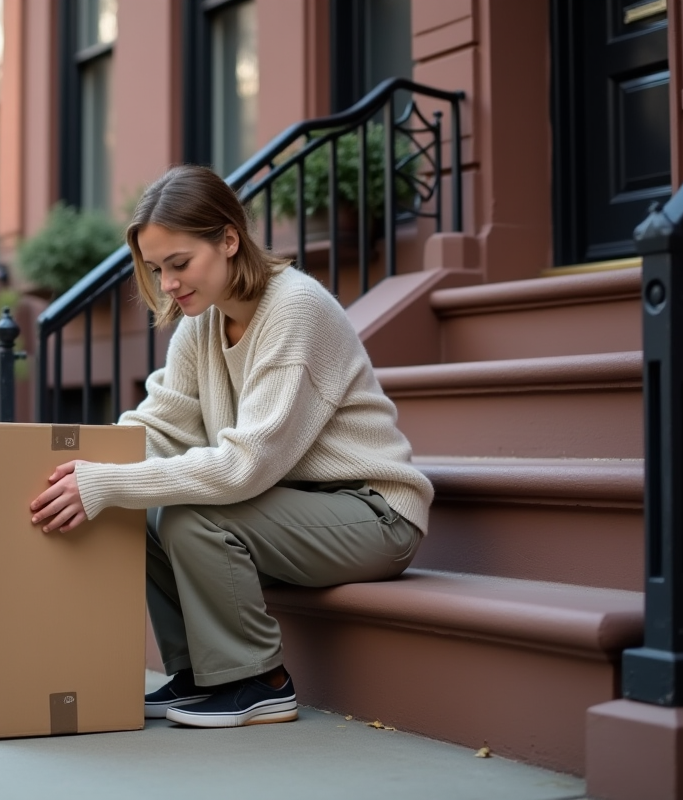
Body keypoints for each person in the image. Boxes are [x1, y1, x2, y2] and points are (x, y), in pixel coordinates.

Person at [30, 164, 433, 729]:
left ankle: (259, 682)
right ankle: (198, 673)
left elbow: (247, 465)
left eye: (179, 264)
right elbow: (160, 425)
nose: (167, 283)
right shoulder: (203, 323)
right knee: (141, 514)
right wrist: (84, 470)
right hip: (288, 508)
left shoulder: (296, 308)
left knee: (190, 515)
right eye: (155, 269)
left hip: (373, 513)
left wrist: (111, 482)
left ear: (228, 239)